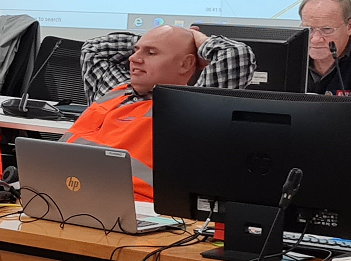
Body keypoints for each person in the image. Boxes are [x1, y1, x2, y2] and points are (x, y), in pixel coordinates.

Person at [63, 25, 255, 201]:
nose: (133, 58)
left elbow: (237, 55)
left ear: (186, 64)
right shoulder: (115, 89)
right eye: (135, 51)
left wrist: (197, 39)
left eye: (151, 53)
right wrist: (159, 38)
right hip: (62, 192)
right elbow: (94, 49)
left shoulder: (193, 107)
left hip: (132, 208)